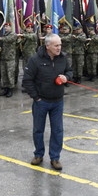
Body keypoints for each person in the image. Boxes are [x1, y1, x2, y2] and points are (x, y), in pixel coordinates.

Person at [21, 33, 73, 171]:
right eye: (56, 45)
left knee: (57, 130)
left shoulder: (63, 58)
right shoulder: (35, 60)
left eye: (60, 45)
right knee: (38, 130)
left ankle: (55, 158)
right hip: (41, 102)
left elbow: (70, 71)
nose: (59, 48)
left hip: (57, 101)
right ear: (47, 46)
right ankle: (38, 154)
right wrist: (36, 97)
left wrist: (66, 77)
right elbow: (27, 80)